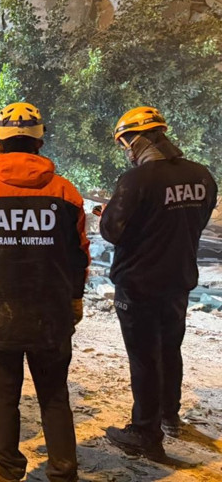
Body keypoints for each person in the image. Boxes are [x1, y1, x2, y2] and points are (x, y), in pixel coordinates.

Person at [0, 102, 89, 482]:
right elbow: (79, 254)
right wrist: (75, 296)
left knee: (4, 396)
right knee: (54, 395)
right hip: (52, 316)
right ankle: (63, 470)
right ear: (40, 143)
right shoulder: (66, 192)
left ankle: (8, 468)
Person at [100, 107, 217, 461]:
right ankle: (169, 414)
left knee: (144, 357)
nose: (126, 150)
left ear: (137, 138)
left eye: (124, 142)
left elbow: (112, 231)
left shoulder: (137, 180)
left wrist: (109, 213)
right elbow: (190, 221)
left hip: (138, 285)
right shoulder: (202, 176)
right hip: (178, 280)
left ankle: (144, 432)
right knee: (170, 348)